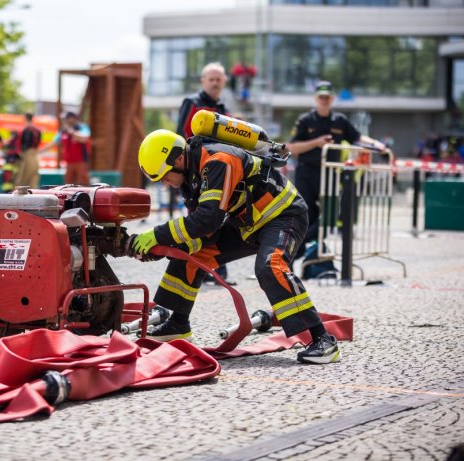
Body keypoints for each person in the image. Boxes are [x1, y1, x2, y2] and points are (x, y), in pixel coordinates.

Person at [130, 129, 341, 364]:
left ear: (178, 159)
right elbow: (202, 230)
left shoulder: (217, 160)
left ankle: (323, 340)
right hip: (247, 223)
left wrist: (158, 234)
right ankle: (178, 324)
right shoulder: (190, 175)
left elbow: (206, 219)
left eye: (166, 177)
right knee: (190, 254)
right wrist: (166, 247)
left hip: (283, 214)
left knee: (270, 266)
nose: (167, 184)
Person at [287, 81, 384, 256]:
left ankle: (301, 248)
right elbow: (292, 147)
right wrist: (316, 143)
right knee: (306, 217)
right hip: (306, 173)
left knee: (331, 218)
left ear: (332, 99)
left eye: (327, 97)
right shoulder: (305, 120)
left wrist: (377, 144)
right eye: (321, 97)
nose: (324, 100)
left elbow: (357, 137)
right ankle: (304, 254)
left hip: (330, 174)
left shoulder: (340, 120)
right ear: (316, 99)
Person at [176, 61, 234, 286]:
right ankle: (196, 269)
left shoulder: (223, 109)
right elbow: (180, 135)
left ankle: (217, 271)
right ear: (203, 81)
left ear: (224, 82)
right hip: (195, 170)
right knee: (198, 220)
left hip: (218, 170)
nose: (215, 83)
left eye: (218, 79)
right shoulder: (192, 103)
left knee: (219, 218)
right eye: (211, 79)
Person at [39, 111, 91, 185]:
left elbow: (85, 138)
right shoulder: (63, 131)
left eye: (65, 118)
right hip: (69, 163)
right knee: (69, 185)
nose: (64, 121)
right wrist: (39, 151)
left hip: (81, 162)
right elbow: (54, 143)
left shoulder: (81, 127)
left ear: (72, 118)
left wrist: (71, 132)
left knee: (82, 183)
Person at [13, 112, 42, 188]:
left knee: (21, 180)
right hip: (35, 156)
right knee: (33, 180)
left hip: (27, 155)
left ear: (25, 118)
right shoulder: (37, 130)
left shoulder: (26, 130)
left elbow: (25, 143)